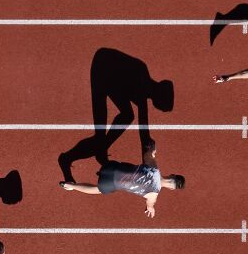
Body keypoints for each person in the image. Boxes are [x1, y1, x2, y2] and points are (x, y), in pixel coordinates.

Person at [58, 48, 173, 184]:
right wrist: (148, 171)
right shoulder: (142, 84)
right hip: (102, 67)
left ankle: (100, 148)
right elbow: (144, 134)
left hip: (113, 77)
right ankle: (66, 159)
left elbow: (144, 133)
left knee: (127, 116)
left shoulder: (145, 87)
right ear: (158, 97)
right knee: (100, 137)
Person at [59, 141, 184, 220]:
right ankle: (71, 186)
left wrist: (152, 150)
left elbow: (147, 155)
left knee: (122, 166)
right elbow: (149, 205)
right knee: (97, 190)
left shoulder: (154, 168)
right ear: (172, 188)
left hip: (111, 167)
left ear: (172, 175)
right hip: (109, 184)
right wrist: (150, 208)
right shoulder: (153, 195)